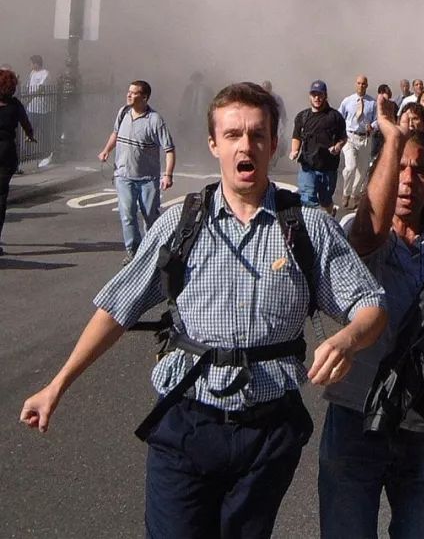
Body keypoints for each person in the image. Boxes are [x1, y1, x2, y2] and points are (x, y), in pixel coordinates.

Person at [21, 81, 388, 539]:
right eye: (232, 134)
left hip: (268, 431)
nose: (245, 144)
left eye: (257, 134)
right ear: (214, 144)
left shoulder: (308, 226)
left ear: (274, 144)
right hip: (186, 422)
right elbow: (118, 307)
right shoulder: (180, 223)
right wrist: (57, 385)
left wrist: (347, 339)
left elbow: (371, 305)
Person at [319, 120, 424, 539]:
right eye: (400, 168)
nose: (409, 179)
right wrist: (391, 139)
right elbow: (366, 234)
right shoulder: (354, 235)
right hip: (356, 415)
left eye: (421, 171)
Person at [97, 81, 176, 262]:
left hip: (147, 179)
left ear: (145, 97)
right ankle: (134, 253)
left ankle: (153, 250)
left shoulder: (155, 120)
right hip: (123, 176)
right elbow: (115, 134)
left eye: (134, 93)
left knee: (150, 217)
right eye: (128, 92)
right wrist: (106, 150)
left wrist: (168, 175)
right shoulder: (123, 112)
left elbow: (169, 150)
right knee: (127, 215)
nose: (129, 95)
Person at [290, 80, 347, 215]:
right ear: (309, 96)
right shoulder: (302, 117)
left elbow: (343, 138)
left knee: (325, 200)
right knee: (308, 199)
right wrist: (294, 150)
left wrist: (338, 147)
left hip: (328, 168)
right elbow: (296, 136)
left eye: (320, 95)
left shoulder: (335, 117)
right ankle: (310, 229)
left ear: (325, 96)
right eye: (314, 94)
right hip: (307, 166)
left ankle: (330, 213)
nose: (317, 98)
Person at [0, 67, 35, 253]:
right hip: (6, 153)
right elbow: (26, 124)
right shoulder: (15, 105)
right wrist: (30, 135)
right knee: (1, 197)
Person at [338, 74, 376, 211]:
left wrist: (373, 126)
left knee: (362, 169)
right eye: (359, 83)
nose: (361, 86)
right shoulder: (348, 101)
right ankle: (346, 193)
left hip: (365, 138)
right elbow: (339, 117)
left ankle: (355, 195)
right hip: (350, 138)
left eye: (364, 84)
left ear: (367, 85)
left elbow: (377, 119)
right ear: (356, 84)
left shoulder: (372, 102)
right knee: (351, 166)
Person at [24, 54, 52, 157]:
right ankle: (27, 152)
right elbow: (28, 87)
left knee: (44, 132)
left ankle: (46, 151)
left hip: (42, 108)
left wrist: (30, 97)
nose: (30, 65)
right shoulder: (32, 73)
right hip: (31, 108)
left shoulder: (45, 73)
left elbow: (41, 88)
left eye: (31, 63)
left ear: (36, 64)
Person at [261, 80, 287, 169]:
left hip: (275, 122)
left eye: (267, 89)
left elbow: (282, 112)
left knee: (277, 140)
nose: (266, 91)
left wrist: (283, 124)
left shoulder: (276, 98)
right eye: (264, 89)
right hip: (262, 122)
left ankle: (272, 161)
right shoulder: (259, 97)